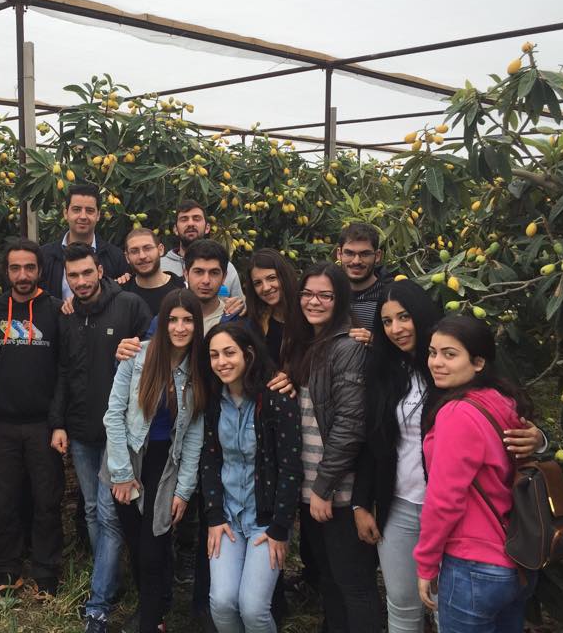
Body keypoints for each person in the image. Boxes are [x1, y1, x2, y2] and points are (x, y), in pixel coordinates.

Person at [354, 282, 546, 633]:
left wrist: (539, 439)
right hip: (399, 504)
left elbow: (508, 423)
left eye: (404, 317)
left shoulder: (456, 375)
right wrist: (361, 502)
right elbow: (372, 441)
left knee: (449, 608)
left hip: (457, 518)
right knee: (402, 603)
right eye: (387, 321)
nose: (396, 328)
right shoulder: (384, 372)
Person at [47, 243, 151, 633]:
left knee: (108, 514)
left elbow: (156, 354)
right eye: (73, 276)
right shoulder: (67, 316)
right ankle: (110, 579)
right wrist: (58, 423)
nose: (81, 281)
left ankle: (98, 604)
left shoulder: (129, 306)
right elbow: (62, 372)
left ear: (100, 271)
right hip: (80, 429)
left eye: (86, 272)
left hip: (118, 432)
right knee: (91, 509)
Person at [414, 316, 539, 632]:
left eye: (450, 354)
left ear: (479, 362)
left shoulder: (457, 413)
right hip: (516, 561)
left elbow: (444, 500)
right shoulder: (502, 400)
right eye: (432, 352)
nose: (436, 363)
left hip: (474, 565)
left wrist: (426, 564)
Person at [282, 262, 382, 633]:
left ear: (339, 300)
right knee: (329, 579)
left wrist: (323, 488)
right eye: (307, 294)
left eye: (325, 295)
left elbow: (350, 426)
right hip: (312, 488)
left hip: (337, 491)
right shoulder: (308, 344)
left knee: (353, 584)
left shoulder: (348, 348)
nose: (314, 302)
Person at [104, 289, 208, 633]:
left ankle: (149, 622)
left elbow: (194, 434)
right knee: (137, 544)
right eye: (172, 320)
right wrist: (121, 474)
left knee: (154, 546)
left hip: (167, 465)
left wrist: (184, 490)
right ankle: (156, 608)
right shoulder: (138, 357)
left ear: (197, 324)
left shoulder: (199, 369)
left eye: (187, 320)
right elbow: (113, 415)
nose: (179, 327)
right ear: (161, 323)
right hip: (128, 458)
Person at [201, 322, 303, 633]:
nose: (222, 362)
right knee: (221, 603)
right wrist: (214, 514)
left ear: (248, 354)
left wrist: (280, 527)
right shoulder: (213, 401)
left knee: (253, 608)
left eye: (229, 353)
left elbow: (290, 467)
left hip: (266, 519)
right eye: (214, 355)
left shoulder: (275, 399)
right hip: (228, 516)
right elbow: (210, 459)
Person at [0, 239, 65, 595]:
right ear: (6, 272)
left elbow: (65, 369)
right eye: (15, 268)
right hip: (1, 422)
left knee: (47, 500)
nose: (22, 275)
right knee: (3, 500)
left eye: (29, 267)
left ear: (40, 270)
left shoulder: (57, 310)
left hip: (42, 424)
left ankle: (46, 570)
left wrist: (58, 420)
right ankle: (7, 566)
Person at [39, 183, 128, 299]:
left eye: (90, 210)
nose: (83, 216)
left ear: (98, 215)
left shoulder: (116, 257)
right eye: (76, 210)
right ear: (66, 213)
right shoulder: (44, 256)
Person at [161, 200, 244, 302]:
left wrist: (238, 305)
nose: (190, 223)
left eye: (196, 219)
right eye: (184, 219)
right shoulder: (160, 267)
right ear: (175, 229)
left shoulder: (226, 267)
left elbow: (240, 305)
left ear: (207, 228)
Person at [335, 222, 393, 342]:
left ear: (377, 256)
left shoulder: (391, 296)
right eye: (349, 253)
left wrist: (376, 342)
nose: (356, 261)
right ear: (339, 254)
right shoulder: (327, 293)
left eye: (365, 254)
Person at [245, 248, 298, 366]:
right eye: (258, 283)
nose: (266, 287)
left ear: (284, 276)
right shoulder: (256, 320)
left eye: (272, 278)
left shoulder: (308, 314)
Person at [121, 227, 185, 316]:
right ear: (127, 257)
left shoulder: (183, 289)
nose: (142, 256)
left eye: (148, 248)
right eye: (134, 251)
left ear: (160, 250)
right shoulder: (120, 294)